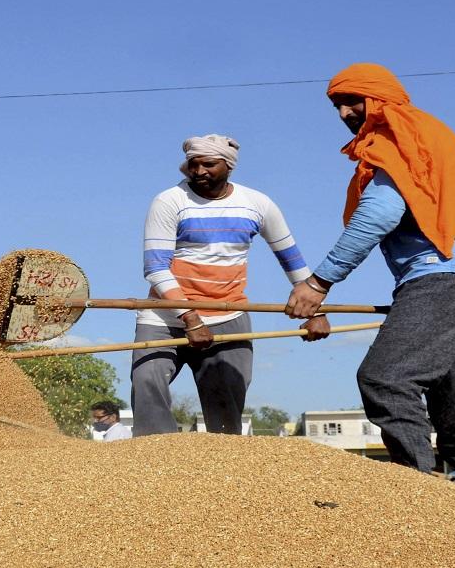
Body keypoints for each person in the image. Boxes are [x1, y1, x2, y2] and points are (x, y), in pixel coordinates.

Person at [284, 63, 455, 496]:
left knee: (386, 379)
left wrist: (318, 283)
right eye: (336, 106)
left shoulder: (399, 139)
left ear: (380, 98)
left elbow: (379, 214)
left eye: (352, 101)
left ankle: (415, 500)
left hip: (442, 275)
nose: (344, 113)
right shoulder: (423, 135)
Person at [132, 134, 329, 436]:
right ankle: (154, 457)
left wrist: (317, 311)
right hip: (165, 317)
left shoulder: (257, 204)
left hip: (229, 316)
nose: (199, 171)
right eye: (194, 164)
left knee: (226, 410)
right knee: (147, 382)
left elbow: (291, 258)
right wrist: (191, 318)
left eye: (209, 164)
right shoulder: (169, 201)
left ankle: (225, 463)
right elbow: (156, 268)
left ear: (229, 165)